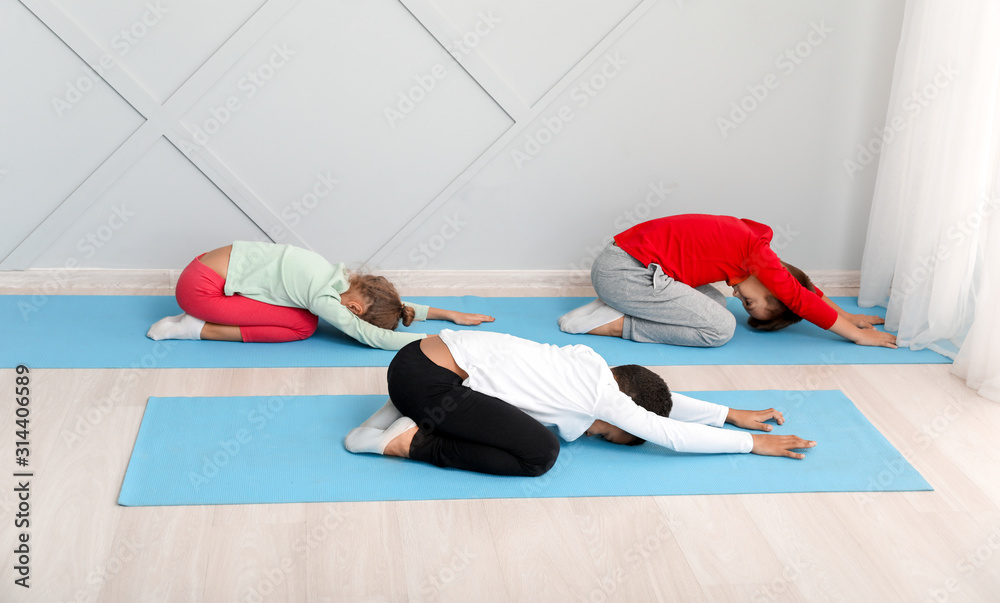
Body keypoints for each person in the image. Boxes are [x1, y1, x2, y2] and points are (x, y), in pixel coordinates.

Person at [344, 330, 815, 477]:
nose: (597, 433)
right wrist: (749, 444)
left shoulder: (591, 366)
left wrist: (726, 414)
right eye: (607, 431)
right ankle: (404, 443)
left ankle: (397, 414)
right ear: (615, 409)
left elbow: (659, 405)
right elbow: (668, 432)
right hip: (428, 385)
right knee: (538, 454)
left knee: (515, 422)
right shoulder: (600, 398)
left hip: (415, 363)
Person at [558, 214, 896, 349]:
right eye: (749, 301)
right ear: (775, 286)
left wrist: (850, 316)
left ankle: (613, 304)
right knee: (720, 329)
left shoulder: (750, 249)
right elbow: (800, 298)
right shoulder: (753, 251)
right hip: (624, 272)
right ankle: (613, 323)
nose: (737, 294)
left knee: (715, 304)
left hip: (628, 270)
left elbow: (806, 293)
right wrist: (855, 335)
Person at [146, 241, 493, 350]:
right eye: (351, 316)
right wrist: (441, 339)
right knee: (303, 327)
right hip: (199, 293)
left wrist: (447, 313)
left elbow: (394, 307)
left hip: (199, 272)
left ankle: (195, 321)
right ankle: (192, 328)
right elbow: (370, 336)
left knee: (301, 317)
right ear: (353, 308)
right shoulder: (321, 297)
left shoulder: (337, 275)